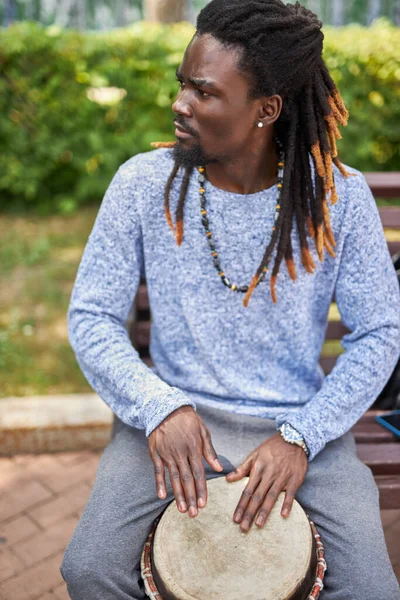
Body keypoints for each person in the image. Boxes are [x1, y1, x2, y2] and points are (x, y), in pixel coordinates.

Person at [59, 0, 400, 598]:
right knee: (88, 569)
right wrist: (159, 407)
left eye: (204, 92)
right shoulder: (143, 183)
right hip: (171, 424)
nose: (179, 103)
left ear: (266, 109)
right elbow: (92, 317)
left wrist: (301, 436)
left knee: (372, 589)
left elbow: (380, 334)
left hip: (298, 428)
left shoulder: (338, 201)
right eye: (182, 84)